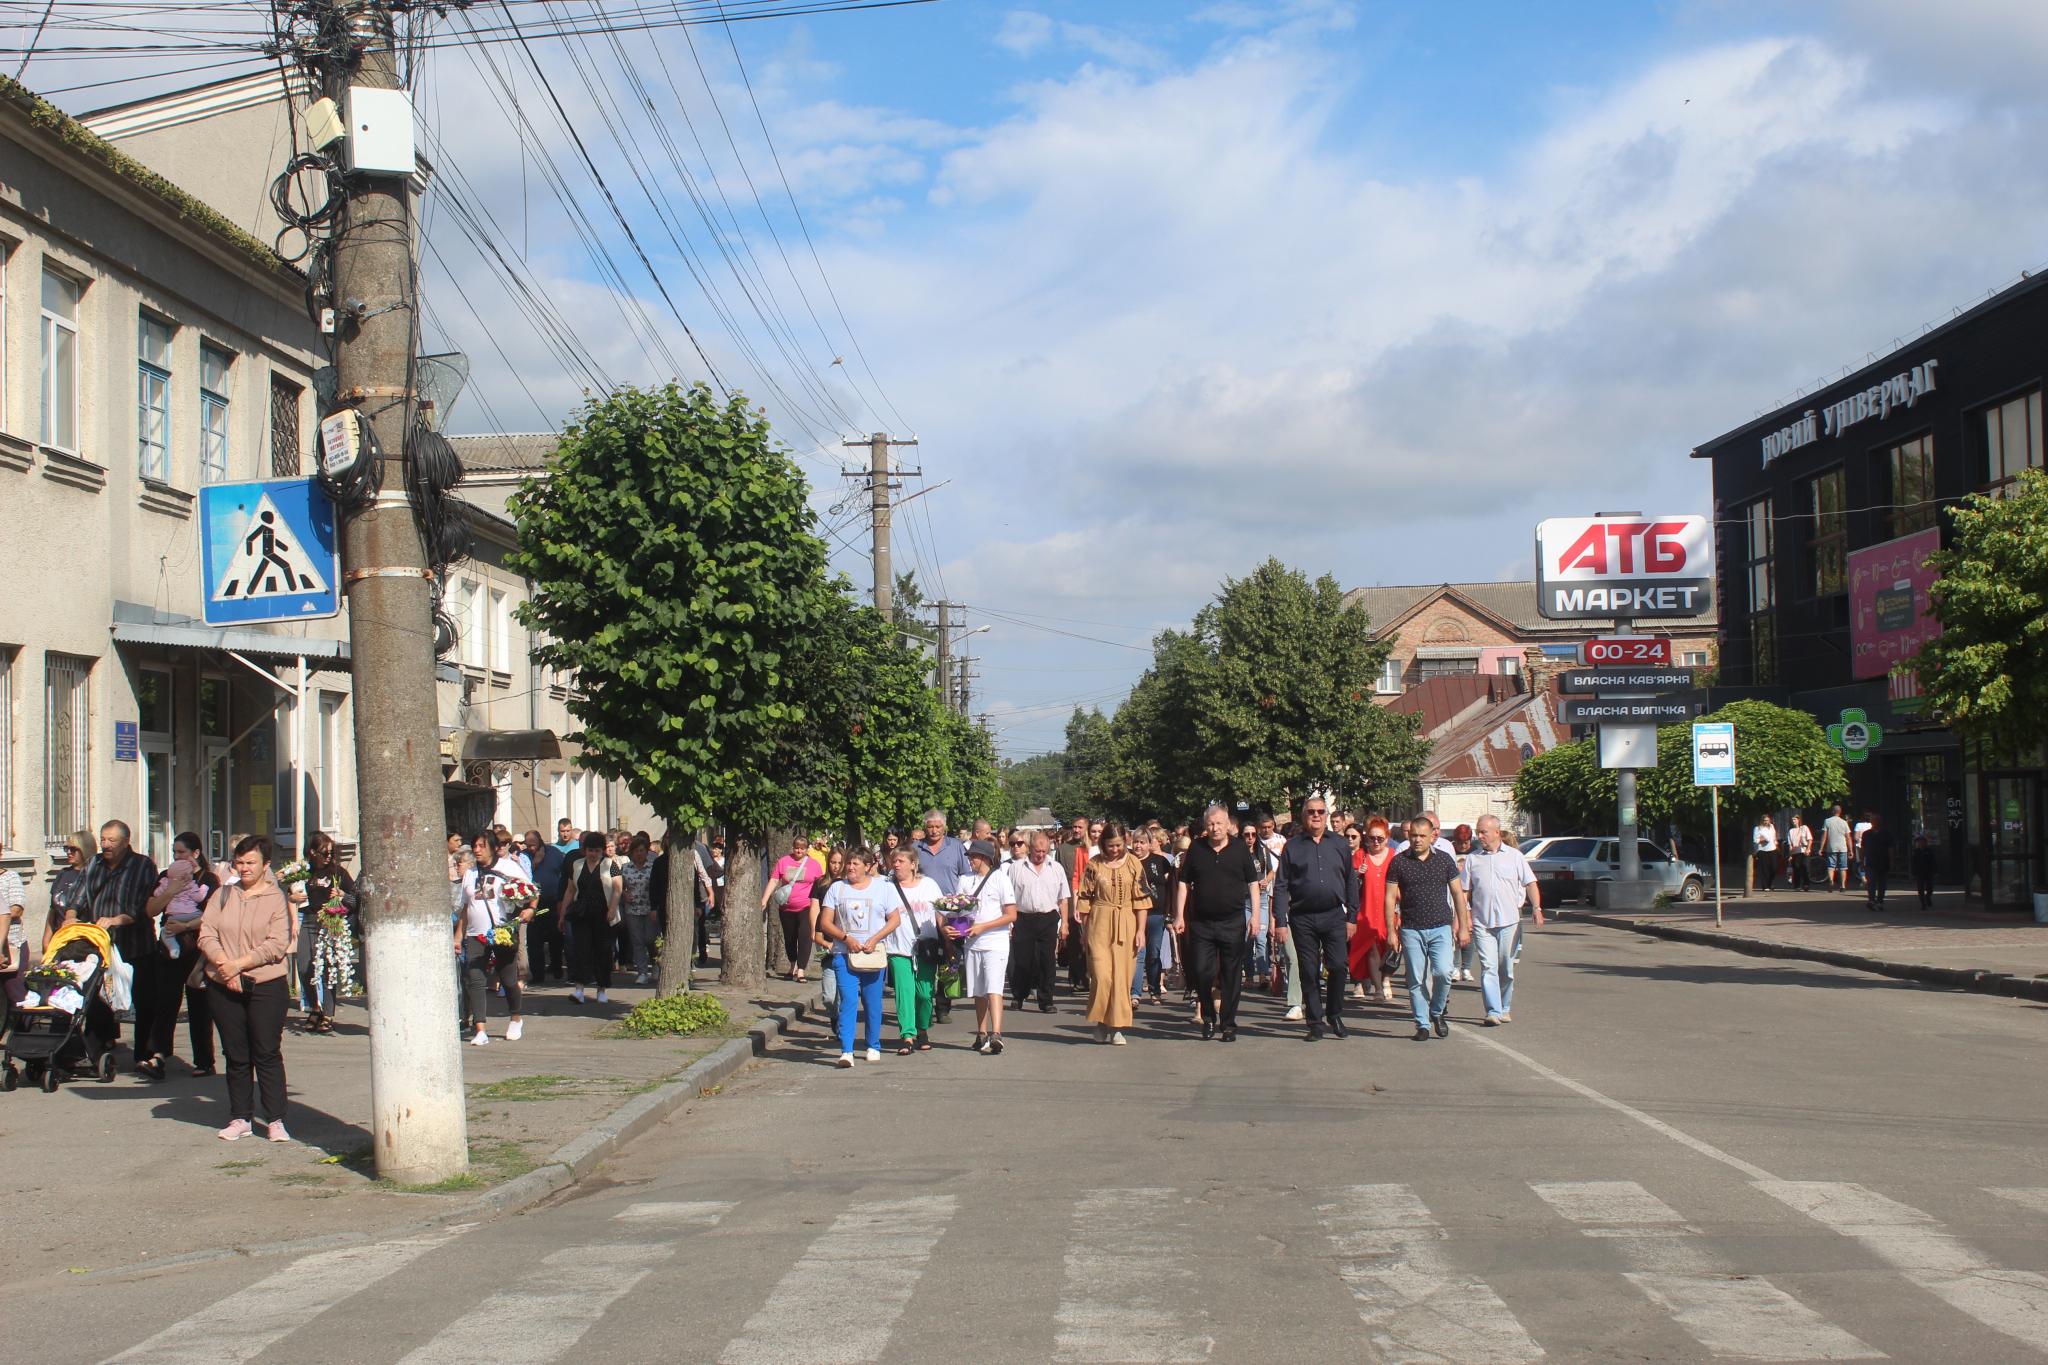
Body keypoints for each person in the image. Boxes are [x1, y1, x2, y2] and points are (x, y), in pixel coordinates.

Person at [198, 835, 292, 1142]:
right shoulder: (223, 895)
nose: (244, 868)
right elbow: (206, 934)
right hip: (223, 982)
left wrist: (241, 964)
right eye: (239, 862)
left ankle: (275, 1118)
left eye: (250, 862)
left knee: (265, 1050)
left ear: (266, 865)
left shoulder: (276, 898)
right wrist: (224, 964)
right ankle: (240, 1117)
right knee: (236, 1053)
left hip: (265, 983)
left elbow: (277, 944)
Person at [1273, 797, 1359, 1041]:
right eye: (1311, 812)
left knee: (1339, 966)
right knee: (1309, 971)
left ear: (1326, 814)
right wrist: (1280, 920)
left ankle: (1334, 1013)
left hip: (1334, 915)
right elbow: (1281, 885)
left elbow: (1350, 880)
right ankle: (1315, 1022)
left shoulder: (1339, 844)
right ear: (1303, 815)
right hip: (1303, 917)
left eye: (1321, 811)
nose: (1316, 815)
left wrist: (1352, 916)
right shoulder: (1293, 846)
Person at [1174, 805, 1261, 1042]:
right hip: (1202, 923)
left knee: (1232, 975)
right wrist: (1179, 915)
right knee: (1202, 971)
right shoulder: (1197, 849)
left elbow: (1253, 883)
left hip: (1233, 922)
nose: (1215, 828)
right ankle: (1209, 1017)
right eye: (1210, 824)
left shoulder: (1240, 848)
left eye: (1219, 823)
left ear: (1228, 825)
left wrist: (1255, 916)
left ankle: (1228, 1023)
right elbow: (1183, 883)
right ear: (1205, 826)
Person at [79, 818, 161, 1071]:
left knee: (145, 1000)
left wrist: (117, 919)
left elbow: (144, 905)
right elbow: (79, 897)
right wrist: (71, 917)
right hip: (102, 945)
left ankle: (145, 1055)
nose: (106, 845)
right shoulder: (93, 864)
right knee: (97, 997)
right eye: (103, 839)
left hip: (136, 944)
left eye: (112, 840)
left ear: (126, 842)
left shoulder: (143, 866)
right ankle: (97, 1050)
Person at [1386, 814, 1472, 1042]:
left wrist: (1463, 926)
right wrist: (1391, 931)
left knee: (1443, 972)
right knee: (1416, 979)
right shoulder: (1399, 861)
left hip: (1441, 926)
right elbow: (1389, 897)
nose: (1417, 840)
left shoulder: (1444, 860)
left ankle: (1437, 1011)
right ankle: (1422, 1024)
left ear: (1432, 836)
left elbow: (1457, 894)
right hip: (1411, 928)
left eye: (1422, 836)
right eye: (1413, 835)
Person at [818, 847, 899, 1068]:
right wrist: (845, 938)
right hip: (845, 954)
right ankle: (847, 1050)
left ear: (867, 866)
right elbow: (825, 922)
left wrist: (875, 938)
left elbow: (894, 919)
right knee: (848, 1000)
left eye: (856, 864)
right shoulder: (837, 888)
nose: (851, 868)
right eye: (849, 863)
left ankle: (873, 1045)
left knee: (872, 1002)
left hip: (873, 954)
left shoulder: (884, 889)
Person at [1462, 815, 1543, 1026]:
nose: (1479, 836)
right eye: (1478, 832)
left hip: (1509, 922)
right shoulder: (1473, 859)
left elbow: (1530, 883)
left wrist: (1536, 908)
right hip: (1482, 922)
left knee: (1505, 968)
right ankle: (1492, 1010)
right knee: (1488, 967)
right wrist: (1464, 917)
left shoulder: (1515, 856)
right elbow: (1464, 892)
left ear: (1497, 832)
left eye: (1483, 832)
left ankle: (1505, 1007)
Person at [1077, 822, 1150, 1045]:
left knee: (1121, 977)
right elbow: (1084, 900)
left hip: (1126, 921)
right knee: (1101, 976)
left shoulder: (1134, 864)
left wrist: (1140, 931)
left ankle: (1117, 1026)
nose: (1114, 850)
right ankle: (1101, 1022)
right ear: (1102, 844)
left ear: (1125, 842)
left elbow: (1142, 901)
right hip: (1099, 922)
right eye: (1110, 845)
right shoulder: (1094, 865)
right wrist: (1085, 931)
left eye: (1118, 845)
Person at [459, 831, 531, 1045]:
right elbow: (465, 906)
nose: (477, 850)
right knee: (476, 979)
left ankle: (516, 1018)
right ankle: (480, 1029)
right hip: (475, 934)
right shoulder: (470, 873)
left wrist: (530, 910)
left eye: (481, 845)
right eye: (475, 845)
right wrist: (458, 936)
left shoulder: (509, 868)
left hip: (502, 931)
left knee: (508, 979)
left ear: (491, 847)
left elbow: (532, 892)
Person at [294, 832, 357, 1033]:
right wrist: (292, 895)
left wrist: (343, 895)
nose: (328, 856)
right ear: (312, 852)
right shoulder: (304, 872)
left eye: (331, 852)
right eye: (324, 852)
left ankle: (328, 1014)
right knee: (304, 967)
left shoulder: (338, 873)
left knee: (328, 970)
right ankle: (315, 1008)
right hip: (308, 922)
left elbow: (356, 899)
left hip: (329, 924)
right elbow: (286, 885)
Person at [884, 847, 942, 1055]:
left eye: (900, 861)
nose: (896, 864)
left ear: (913, 864)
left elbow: (940, 914)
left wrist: (949, 939)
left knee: (925, 994)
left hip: (926, 947)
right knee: (904, 993)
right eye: (894, 861)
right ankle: (907, 1036)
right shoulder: (888, 887)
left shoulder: (929, 885)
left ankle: (922, 1028)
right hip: (898, 947)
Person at [1007, 830, 1070, 1014]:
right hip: (1023, 917)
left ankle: (1046, 1000)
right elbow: (1008, 897)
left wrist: (1064, 923)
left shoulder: (1056, 868)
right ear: (1030, 849)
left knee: (1047, 960)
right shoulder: (1016, 868)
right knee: (1022, 960)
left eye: (1044, 851)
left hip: (1048, 918)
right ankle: (1019, 995)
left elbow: (1063, 898)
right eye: (1037, 851)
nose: (1040, 855)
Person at [561, 832, 621, 1005]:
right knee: (581, 949)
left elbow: (617, 889)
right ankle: (579, 989)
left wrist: (612, 908)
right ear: (585, 850)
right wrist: (563, 913)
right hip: (582, 913)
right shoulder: (577, 865)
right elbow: (570, 890)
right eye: (590, 850)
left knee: (603, 951)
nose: (593, 854)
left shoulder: (610, 865)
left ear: (602, 850)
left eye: (596, 850)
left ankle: (602, 988)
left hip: (603, 913)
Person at [1347, 817, 1396, 1004]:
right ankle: (1378, 988)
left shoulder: (1393, 856)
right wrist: (1358, 872)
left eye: (1380, 838)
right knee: (1372, 948)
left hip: (1388, 911)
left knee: (1388, 947)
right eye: (1372, 838)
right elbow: (1347, 880)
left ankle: (1386, 978)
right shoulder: (1361, 855)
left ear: (1387, 838)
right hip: (1366, 912)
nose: (1375, 842)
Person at [763, 835, 821, 984]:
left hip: (806, 907)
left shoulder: (814, 865)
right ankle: (792, 965)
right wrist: (764, 899)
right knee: (789, 938)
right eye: (796, 848)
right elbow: (774, 880)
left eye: (802, 848)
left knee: (805, 937)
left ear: (807, 849)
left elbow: (820, 885)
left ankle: (801, 970)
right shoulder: (784, 862)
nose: (799, 851)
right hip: (786, 907)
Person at [522, 830, 568, 983]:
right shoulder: (524, 856)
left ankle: (556, 966)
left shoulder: (554, 853)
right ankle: (537, 974)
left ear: (540, 841)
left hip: (553, 902)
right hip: (534, 905)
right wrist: (535, 862)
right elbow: (523, 877)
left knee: (556, 938)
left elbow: (563, 875)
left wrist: (561, 901)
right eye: (528, 845)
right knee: (535, 941)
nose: (531, 848)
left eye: (533, 845)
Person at [1136, 831, 1176, 1006]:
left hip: (1156, 914)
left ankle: (1154, 989)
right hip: (1135, 914)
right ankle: (1134, 993)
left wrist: (1170, 913)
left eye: (1143, 842)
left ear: (1149, 843)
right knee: (1137, 953)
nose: (1139, 846)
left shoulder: (1160, 861)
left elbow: (1170, 886)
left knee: (1154, 952)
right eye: (1136, 842)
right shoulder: (1128, 861)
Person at [1055, 816, 1093, 995]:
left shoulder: (1093, 848)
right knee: (1074, 939)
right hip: (1071, 895)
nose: (1076, 830)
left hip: (1092, 894)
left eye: (1080, 827)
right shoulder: (1063, 849)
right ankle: (1078, 977)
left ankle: (1091, 976)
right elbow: (1059, 876)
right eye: (1074, 827)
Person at [914, 809, 971, 895]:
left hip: (950, 902)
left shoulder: (956, 846)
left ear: (944, 828)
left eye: (938, 827)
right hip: (923, 902)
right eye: (930, 827)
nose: (934, 831)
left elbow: (966, 876)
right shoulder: (915, 848)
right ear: (925, 828)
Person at [0, 847, 29, 1008]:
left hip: (11, 945)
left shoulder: (10, 877)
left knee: (15, 991)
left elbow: (16, 909)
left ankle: (25, 1029)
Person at [1861, 812, 1894, 911]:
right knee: (1871, 882)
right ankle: (1871, 900)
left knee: (1882, 883)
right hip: (1870, 861)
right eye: (1873, 821)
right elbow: (1863, 848)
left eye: (1877, 821)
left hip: (1883, 861)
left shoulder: (1886, 834)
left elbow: (1891, 848)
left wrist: (1892, 860)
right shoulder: (1866, 834)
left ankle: (1880, 901)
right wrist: (1862, 860)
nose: (1875, 822)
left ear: (1880, 822)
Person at [1822, 804, 1853, 892]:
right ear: (1840, 812)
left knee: (1831, 866)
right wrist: (1851, 850)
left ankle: (1831, 881)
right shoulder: (1844, 822)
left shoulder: (1827, 821)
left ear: (1832, 811)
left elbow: (1824, 836)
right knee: (1843, 867)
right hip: (1843, 847)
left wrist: (1821, 848)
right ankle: (1843, 886)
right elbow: (1848, 837)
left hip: (1831, 847)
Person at [1785, 814, 1813, 892]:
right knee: (1796, 869)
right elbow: (1790, 844)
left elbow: (1810, 839)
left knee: (1805, 867)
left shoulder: (1804, 828)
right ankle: (1797, 885)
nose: (1793, 821)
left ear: (1798, 820)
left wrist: (1808, 849)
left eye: (1795, 819)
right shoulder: (1791, 831)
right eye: (1792, 820)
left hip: (1804, 850)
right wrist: (1790, 855)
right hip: (1795, 851)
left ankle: (1806, 884)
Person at [1751, 813, 1779, 892]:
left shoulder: (1772, 827)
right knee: (1765, 869)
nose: (1766, 822)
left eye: (1767, 820)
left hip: (1773, 849)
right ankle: (1765, 886)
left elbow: (1774, 836)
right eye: (1764, 820)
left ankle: (1769, 883)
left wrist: (1776, 842)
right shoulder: (1758, 828)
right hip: (1763, 850)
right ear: (1762, 821)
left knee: (1774, 867)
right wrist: (1762, 840)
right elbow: (1755, 840)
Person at [1910, 834, 1938, 912]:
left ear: (1925, 842)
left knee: (1930, 887)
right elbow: (1913, 863)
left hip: (1929, 872)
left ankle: (1928, 897)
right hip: (1919, 873)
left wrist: (1935, 871)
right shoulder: (1916, 852)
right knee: (1920, 888)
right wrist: (1913, 872)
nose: (1920, 843)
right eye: (1919, 842)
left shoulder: (1929, 851)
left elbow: (1933, 862)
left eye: (1922, 841)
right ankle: (1923, 903)